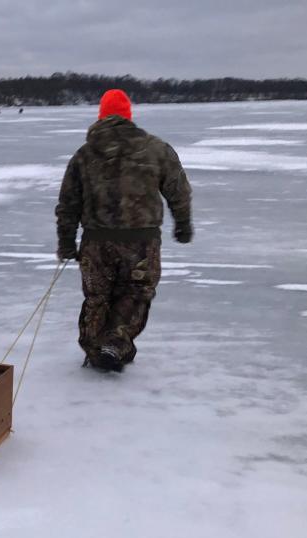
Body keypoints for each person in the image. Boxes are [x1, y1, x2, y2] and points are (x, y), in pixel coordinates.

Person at [55, 88, 192, 372]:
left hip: (97, 242)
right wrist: (183, 224)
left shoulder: (84, 154)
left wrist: (67, 242)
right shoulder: (157, 149)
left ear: (101, 116)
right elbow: (178, 190)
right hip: (141, 242)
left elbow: (68, 203)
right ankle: (115, 343)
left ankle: (97, 351)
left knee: (97, 297)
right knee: (135, 292)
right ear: (128, 116)